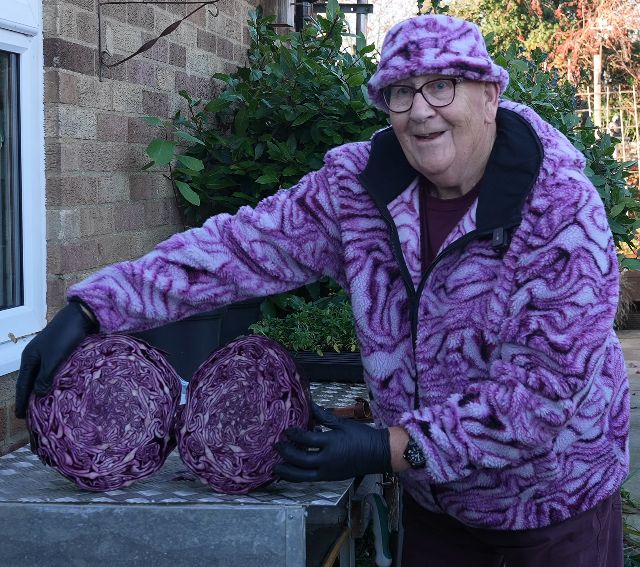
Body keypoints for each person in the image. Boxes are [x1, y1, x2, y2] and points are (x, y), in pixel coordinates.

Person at [16, 14, 628, 566]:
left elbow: (538, 401)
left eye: (442, 86)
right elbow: (237, 248)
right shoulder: (360, 193)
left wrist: (385, 447)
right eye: (400, 92)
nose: (420, 111)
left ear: (490, 95)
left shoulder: (559, 214)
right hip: (437, 507)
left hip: (555, 505)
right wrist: (96, 306)